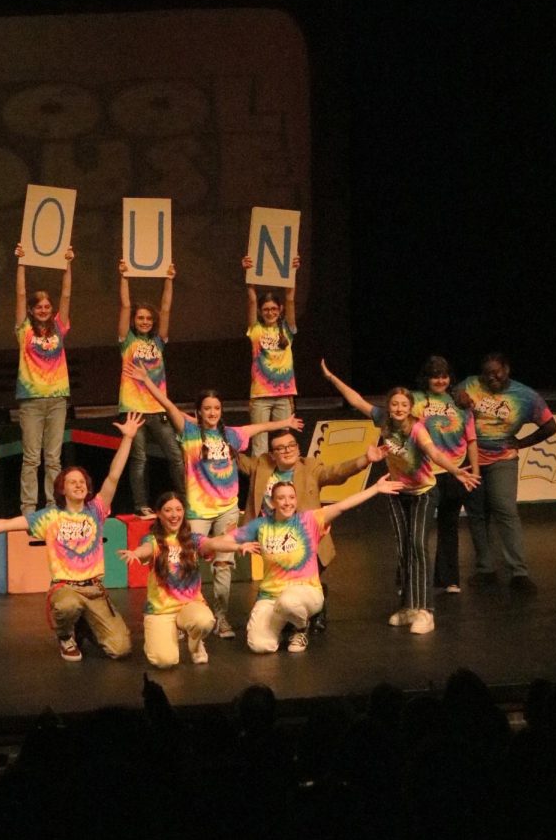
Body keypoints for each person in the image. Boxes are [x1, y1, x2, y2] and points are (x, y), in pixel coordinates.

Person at [0, 413, 144, 662]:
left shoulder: (96, 509)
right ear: (62, 489)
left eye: (82, 482)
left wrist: (128, 438)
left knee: (120, 649)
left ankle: (85, 627)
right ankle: (65, 635)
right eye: (72, 482)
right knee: (67, 605)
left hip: (95, 589)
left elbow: (114, 475)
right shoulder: (50, 516)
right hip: (66, 588)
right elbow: (7, 524)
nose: (79, 485)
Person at [128, 364, 302, 639]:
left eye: (217, 408)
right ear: (199, 410)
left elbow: (259, 426)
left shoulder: (231, 435)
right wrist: (148, 381)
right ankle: (184, 614)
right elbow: (168, 405)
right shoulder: (190, 431)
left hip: (227, 510)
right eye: (207, 408)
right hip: (198, 510)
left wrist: (285, 423)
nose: (212, 413)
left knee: (223, 565)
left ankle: (220, 617)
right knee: (185, 561)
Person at [320, 363, 479, 634]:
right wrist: (332, 378)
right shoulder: (383, 420)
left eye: (403, 404)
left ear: (410, 407)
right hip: (396, 491)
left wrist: (456, 472)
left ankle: (425, 611)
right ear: (389, 406)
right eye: (394, 404)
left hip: (423, 493)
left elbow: (436, 454)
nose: (398, 409)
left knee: (418, 546)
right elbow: (356, 400)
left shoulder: (418, 429)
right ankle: (407, 607)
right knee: (404, 549)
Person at [202, 476, 400, 653]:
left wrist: (375, 488)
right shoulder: (261, 526)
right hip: (271, 596)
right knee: (259, 645)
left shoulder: (309, 520)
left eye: (291, 497)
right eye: (281, 498)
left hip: (306, 592)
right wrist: (215, 545)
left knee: (288, 602)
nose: (287, 502)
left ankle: (301, 627)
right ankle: (280, 627)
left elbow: (342, 506)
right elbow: (223, 540)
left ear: (296, 500)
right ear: (272, 502)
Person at [237, 427, 385, 638]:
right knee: (280, 585)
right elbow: (235, 459)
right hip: (272, 537)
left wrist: (365, 459)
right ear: (272, 454)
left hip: (306, 539)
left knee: (304, 581)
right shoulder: (262, 464)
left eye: (291, 446)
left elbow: (337, 472)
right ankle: (290, 615)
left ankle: (314, 609)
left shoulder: (310, 467)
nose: (287, 450)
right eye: (280, 448)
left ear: (298, 448)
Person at [457, 352, 556, 591]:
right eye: (487, 373)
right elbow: (448, 403)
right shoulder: (470, 384)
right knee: (477, 513)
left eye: (496, 372)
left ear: (507, 370)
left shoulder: (525, 396)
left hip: (503, 458)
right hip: (470, 459)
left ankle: (519, 572)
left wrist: (521, 443)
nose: (492, 377)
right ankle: (485, 569)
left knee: (505, 510)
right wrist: (457, 398)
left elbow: (550, 426)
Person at [117, 258, 186, 516]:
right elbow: (125, 304)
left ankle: (186, 502)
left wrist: (169, 280)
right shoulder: (127, 341)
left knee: (176, 455)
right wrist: (123, 277)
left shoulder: (158, 341)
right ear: (134, 321)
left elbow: (165, 310)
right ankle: (141, 505)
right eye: (140, 318)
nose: (145, 321)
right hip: (133, 409)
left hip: (158, 408)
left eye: (148, 318)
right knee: (140, 460)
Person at [118, 490, 215, 668]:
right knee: (164, 662)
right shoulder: (152, 539)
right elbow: (146, 549)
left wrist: (237, 545)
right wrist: (135, 553)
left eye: (178, 509)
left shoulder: (192, 539)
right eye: (168, 510)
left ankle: (196, 643)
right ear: (159, 514)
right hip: (161, 609)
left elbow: (212, 543)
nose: (174, 515)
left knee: (204, 621)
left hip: (189, 604)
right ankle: (157, 638)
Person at [411, 355, 482, 594]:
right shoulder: (417, 400)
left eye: (444, 376)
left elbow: (471, 440)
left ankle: (448, 579)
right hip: (427, 471)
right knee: (419, 529)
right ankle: (409, 581)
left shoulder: (459, 402)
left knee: (449, 525)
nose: (440, 380)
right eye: (435, 376)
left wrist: (475, 472)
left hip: (457, 470)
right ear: (427, 378)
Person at [14, 242, 74, 516]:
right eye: (38, 306)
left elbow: (66, 294)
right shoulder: (24, 329)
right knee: (31, 458)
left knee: (53, 458)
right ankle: (28, 508)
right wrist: (22, 263)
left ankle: (52, 504)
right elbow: (20, 293)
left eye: (47, 306)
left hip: (57, 399)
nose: (44, 309)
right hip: (31, 400)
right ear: (30, 310)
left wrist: (68, 265)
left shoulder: (59, 327)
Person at [242, 252, 299, 456]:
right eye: (266, 309)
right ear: (260, 311)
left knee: (284, 442)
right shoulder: (256, 330)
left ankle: (284, 486)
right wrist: (249, 276)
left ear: (280, 309)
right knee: (259, 446)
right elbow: (250, 301)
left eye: (274, 309)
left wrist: (292, 271)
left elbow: (291, 298)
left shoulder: (287, 330)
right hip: (260, 396)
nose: (270, 312)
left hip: (283, 396)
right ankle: (261, 487)